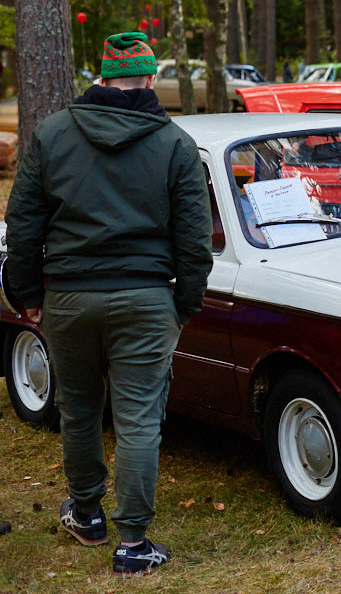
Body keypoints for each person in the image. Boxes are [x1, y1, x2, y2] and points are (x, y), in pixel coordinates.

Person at [4, 32, 212, 574]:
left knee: (78, 409)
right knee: (139, 419)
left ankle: (87, 515)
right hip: (146, 297)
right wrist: (185, 305)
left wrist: (26, 295)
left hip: (69, 296)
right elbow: (195, 240)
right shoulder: (175, 144)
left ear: (100, 77)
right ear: (150, 79)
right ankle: (134, 545)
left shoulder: (52, 134)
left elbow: (23, 225)